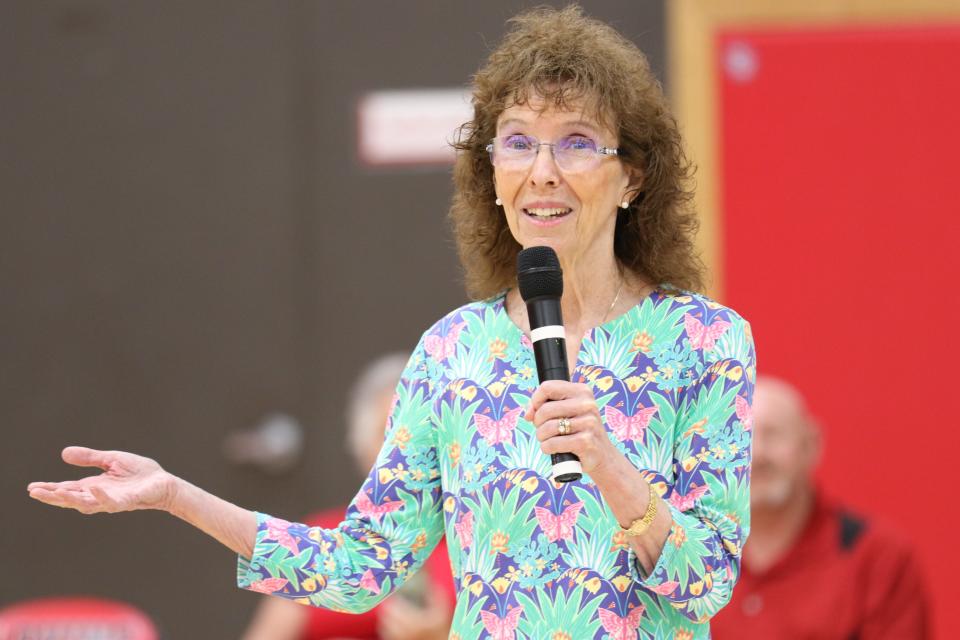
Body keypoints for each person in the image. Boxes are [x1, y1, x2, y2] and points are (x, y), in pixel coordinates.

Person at [28, 6, 756, 638]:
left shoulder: (705, 342)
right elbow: (358, 569)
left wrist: (609, 466)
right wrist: (174, 494)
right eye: (517, 141)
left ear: (631, 177)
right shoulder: (453, 352)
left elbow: (707, 586)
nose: (542, 171)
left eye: (575, 142)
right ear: (491, 176)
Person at [241, 353, 455, 640]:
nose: (407, 453)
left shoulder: (479, 544)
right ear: (362, 444)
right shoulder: (319, 537)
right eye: (389, 434)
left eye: (422, 436)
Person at [711, 376, 931, 639]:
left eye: (773, 434)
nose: (757, 454)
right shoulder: (691, 550)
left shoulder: (878, 558)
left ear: (811, 445)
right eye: (742, 437)